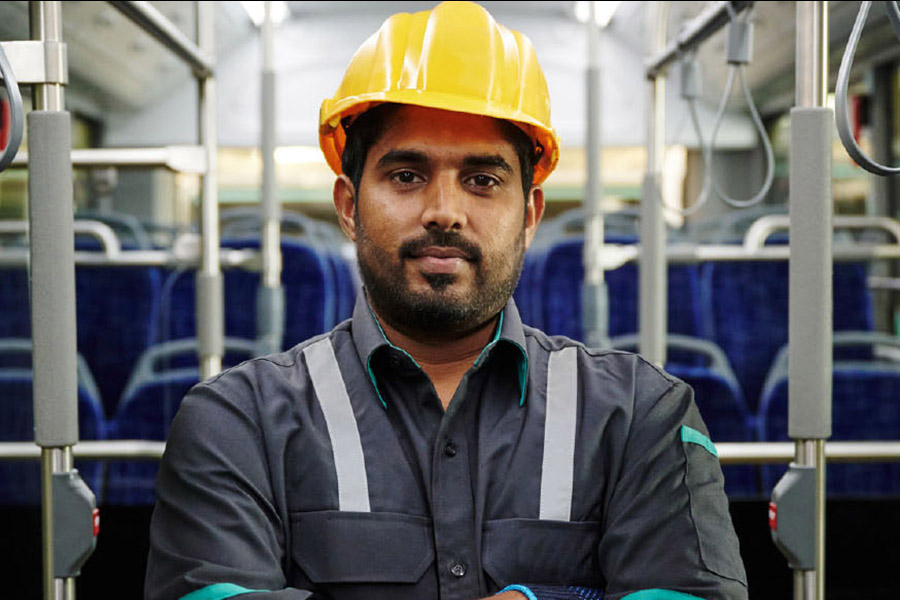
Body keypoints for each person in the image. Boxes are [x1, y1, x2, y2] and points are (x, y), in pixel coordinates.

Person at [145, 3, 748, 600]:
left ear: (530, 214)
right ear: (349, 205)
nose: (444, 211)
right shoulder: (233, 424)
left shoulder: (643, 417)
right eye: (406, 175)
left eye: (482, 180)